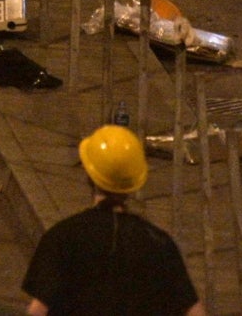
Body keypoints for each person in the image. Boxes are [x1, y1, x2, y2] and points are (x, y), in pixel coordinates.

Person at [22, 126, 204, 316]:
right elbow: (194, 311)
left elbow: (38, 310)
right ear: (133, 185)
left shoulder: (63, 237)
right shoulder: (159, 244)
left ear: (90, 177)